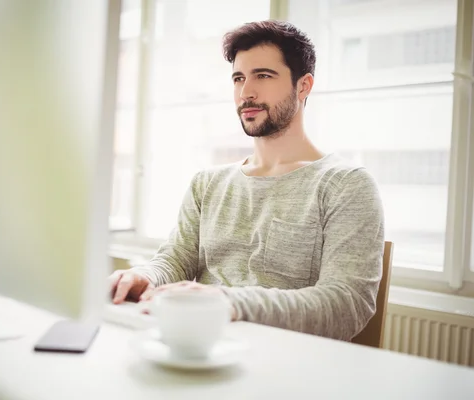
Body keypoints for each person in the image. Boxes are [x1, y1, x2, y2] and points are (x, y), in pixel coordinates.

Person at [108, 20, 385, 341]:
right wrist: (144, 276)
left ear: (304, 85)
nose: (246, 92)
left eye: (263, 76)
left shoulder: (346, 185)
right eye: (238, 78)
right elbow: (175, 260)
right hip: (197, 344)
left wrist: (229, 301)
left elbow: (347, 305)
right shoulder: (207, 183)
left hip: (286, 361)